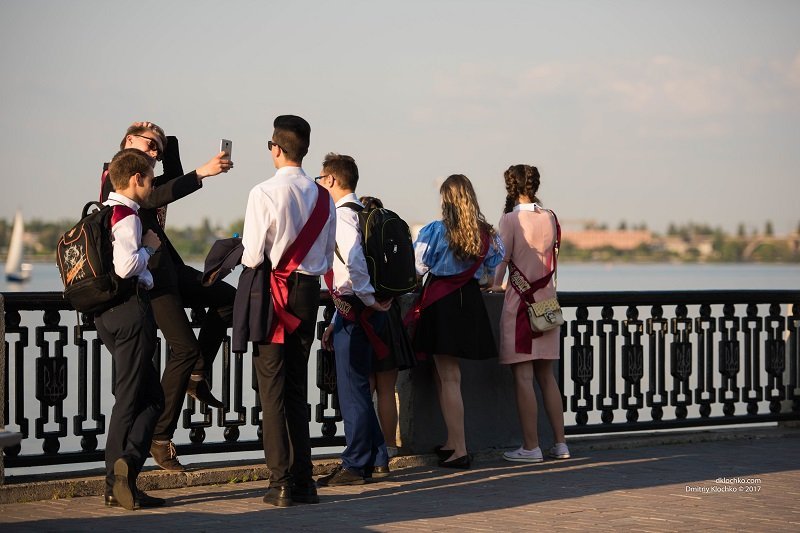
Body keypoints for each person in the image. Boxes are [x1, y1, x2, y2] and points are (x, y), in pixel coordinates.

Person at [101, 122, 236, 472]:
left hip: (171, 270)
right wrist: (205, 170)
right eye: (150, 146)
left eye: (158, 151)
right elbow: (163, 194)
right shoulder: (115, 180)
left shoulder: (148, 177)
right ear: (128, 141)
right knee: (184, 349)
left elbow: (172, 183)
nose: (156, 154)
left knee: (229, 298)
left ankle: (195, 375)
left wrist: (167, 140)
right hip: (152, 281)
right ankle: (160, 440)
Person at [241, 115, 336, 507]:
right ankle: (303, 481)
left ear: (275, 149)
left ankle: (278, 482)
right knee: (297, 387)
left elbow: (251, 256)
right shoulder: (325, 197)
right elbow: (328, 254)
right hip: (309, 294)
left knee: (271, 389)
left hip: (273, 294)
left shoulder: (262, 192)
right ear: (306, 150)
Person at [411, 174, 504, 469]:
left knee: (449, 377)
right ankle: (451, 441)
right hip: (469, 304)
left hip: (441, 304)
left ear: (446, 201)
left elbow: (417, 267)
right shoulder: (486, 234)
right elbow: (493, 268)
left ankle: (460, 449)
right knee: (446, 376)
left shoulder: (435, 231)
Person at [316, 155, 393, 486]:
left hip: (357, 312)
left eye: (321, 177)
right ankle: (377, 458)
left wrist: (369, 301)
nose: (319, 183)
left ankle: (354, 463)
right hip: (355, 312)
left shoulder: (343, 218)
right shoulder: (365, 215)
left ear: (332, 179)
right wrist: (337, 318)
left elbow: (354, 267)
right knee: (358, 388)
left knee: (352, 391)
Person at [96, 148, 165, 510]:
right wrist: (149, 250)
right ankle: (117, 479)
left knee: (146, 396)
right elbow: (126, 267)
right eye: (151, 179)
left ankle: (122, 478)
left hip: (105, 315)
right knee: (135, 398)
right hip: (129, 315)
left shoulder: (102, 212)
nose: (153, 186)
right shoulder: (126, 215)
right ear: (136, 178)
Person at [488, 164, 570, 463]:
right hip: (548, 305)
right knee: (548, 377)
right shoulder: (551, 217)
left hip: (521, 306)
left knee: (523, 377)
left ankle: (531, 446)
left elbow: (501, 260)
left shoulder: (510, 219)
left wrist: (495, 283)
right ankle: (560, 444)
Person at [359, 195, 416, 459]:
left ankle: (365, 446)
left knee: (364, 389)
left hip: (365, 316)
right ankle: (390, 444)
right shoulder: (390, 241)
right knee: (386, 389)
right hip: (391, 315)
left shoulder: (361, 239)